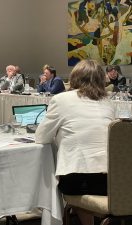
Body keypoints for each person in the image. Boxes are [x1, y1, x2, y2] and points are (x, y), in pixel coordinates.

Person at [35, 60, 115, 225]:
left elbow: (41, 137)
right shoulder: (109, 103)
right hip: (110, 179)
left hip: (77, 180)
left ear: (75, 78)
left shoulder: (61, 100)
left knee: (70, 184)